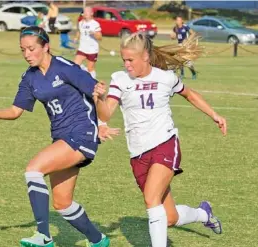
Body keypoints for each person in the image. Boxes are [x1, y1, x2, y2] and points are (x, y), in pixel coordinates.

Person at [0, 26, 110, 247]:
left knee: (33, 170)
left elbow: (96, 95)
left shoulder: (66, 68)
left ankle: (43, 235)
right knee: (62, 204)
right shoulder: (30, 78)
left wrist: (102, 108)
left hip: (81, 133)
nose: (27, 54)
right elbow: (15, 111)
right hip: (62, 139)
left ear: (46, 46)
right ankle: (99, 240)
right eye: (23, 50)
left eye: (31, 49)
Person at [94, 32, 227, 247]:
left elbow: (190, 95)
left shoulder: (165, 78)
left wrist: (215, 115)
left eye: (130, 60)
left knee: (151, 200)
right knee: (170, 217)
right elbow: (106, 114)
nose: (126, 65)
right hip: (138, 154)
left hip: (165, 144)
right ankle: (204, 214)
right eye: (124, 60)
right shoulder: (119, 79)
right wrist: (99, 99)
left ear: (145, 56)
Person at [74, 7, 102, 79]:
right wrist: (76, 38)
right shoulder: (81, 23)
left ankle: (93, 82)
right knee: (75, 65)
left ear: (91, 13)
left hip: (92, 50)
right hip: (82, 49)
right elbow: (79, 31)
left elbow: (100, 37)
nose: (85, 13)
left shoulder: (95, 24)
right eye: (84, 12)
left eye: (87, 12)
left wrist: (94, 33)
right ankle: (83, 73)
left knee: (90, 68)